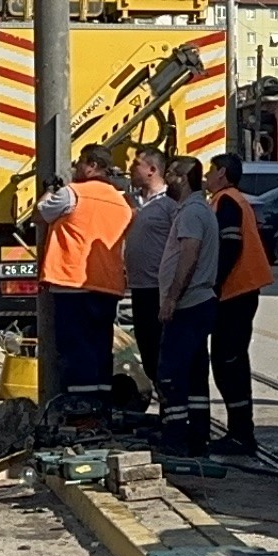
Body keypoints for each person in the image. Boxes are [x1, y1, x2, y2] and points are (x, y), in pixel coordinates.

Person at [33, 147, 134, 413]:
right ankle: (101, 409)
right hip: (108, 285)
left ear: (91, 166)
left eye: (79, 163)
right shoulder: (121, 202)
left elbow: (40, 214)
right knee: (100, 348)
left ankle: (80, 410)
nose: (76, 168)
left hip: (72, 281)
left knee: (75, 350)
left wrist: (48, 190)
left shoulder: (72, 193)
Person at [153, 156, 222, 456]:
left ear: (183, 178)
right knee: (194, 373)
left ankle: (176, 437)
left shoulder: (192, 213)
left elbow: (189, 256)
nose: (167, 179)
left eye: (171, 174)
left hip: (189, 303)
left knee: (171, 373)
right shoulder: (196, 209)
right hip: (197, 303)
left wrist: (171, 297)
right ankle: (197, 435)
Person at [208, 155, 275, 453]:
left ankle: (240, 433)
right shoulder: (229, 199)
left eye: (211, 170)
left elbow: (230, 245)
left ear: (222, 173)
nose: (208, 176)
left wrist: (215, 283)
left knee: (228, 361)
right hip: (239, 291)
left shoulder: (227, 201)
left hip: (235, 292)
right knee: (229, 360)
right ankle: (239, 430)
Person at [119, 148, 175, 408]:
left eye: (137, 164)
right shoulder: (131, 201)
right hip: (138, 287)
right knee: (147, 348)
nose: (131, 167)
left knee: (161, 351)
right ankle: (162, 401)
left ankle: (171, 407)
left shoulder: (169, 205)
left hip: (158, 289)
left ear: (152, 170)